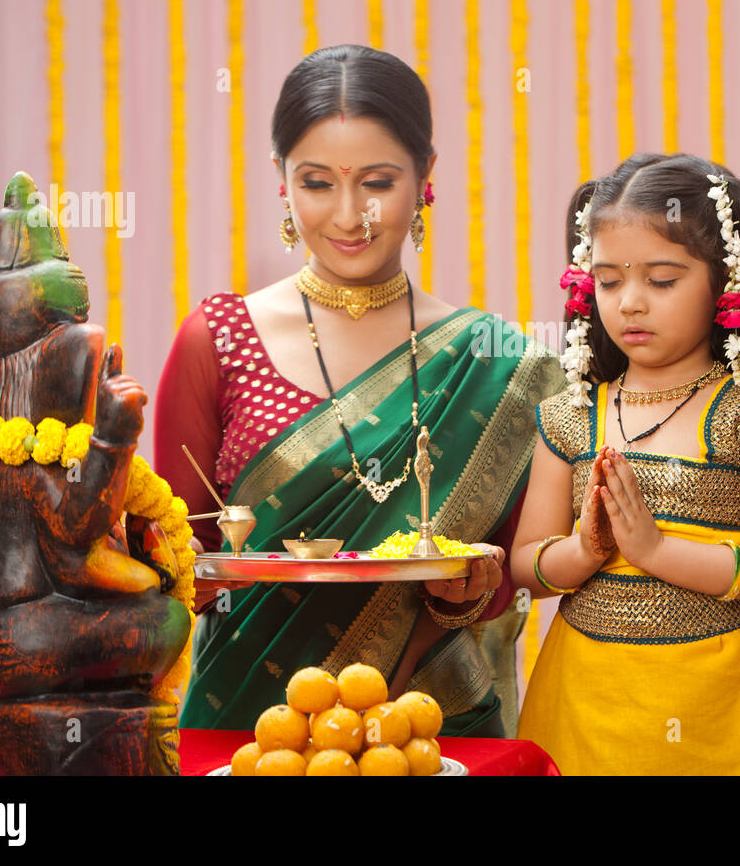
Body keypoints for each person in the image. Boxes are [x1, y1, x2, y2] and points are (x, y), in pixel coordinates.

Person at [154, 45, 564, 736]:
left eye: (377, 182)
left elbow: (515, 574)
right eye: (317, 182)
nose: (350, 216)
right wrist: (183, 574)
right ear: (281, 181)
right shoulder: (217, 339)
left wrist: (470, 592)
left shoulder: (498, 361)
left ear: (425, 177)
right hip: (248, 728)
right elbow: (163, 553)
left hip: (428, 730)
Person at [513, 153, 740, 775]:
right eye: (609, 280)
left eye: (662, 280)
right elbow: (525, 568)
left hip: (721, 702)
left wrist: (655, 551)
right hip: (585, 699)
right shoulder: (568, 419)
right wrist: (585, 551)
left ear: (727, 282)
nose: (630, 304)